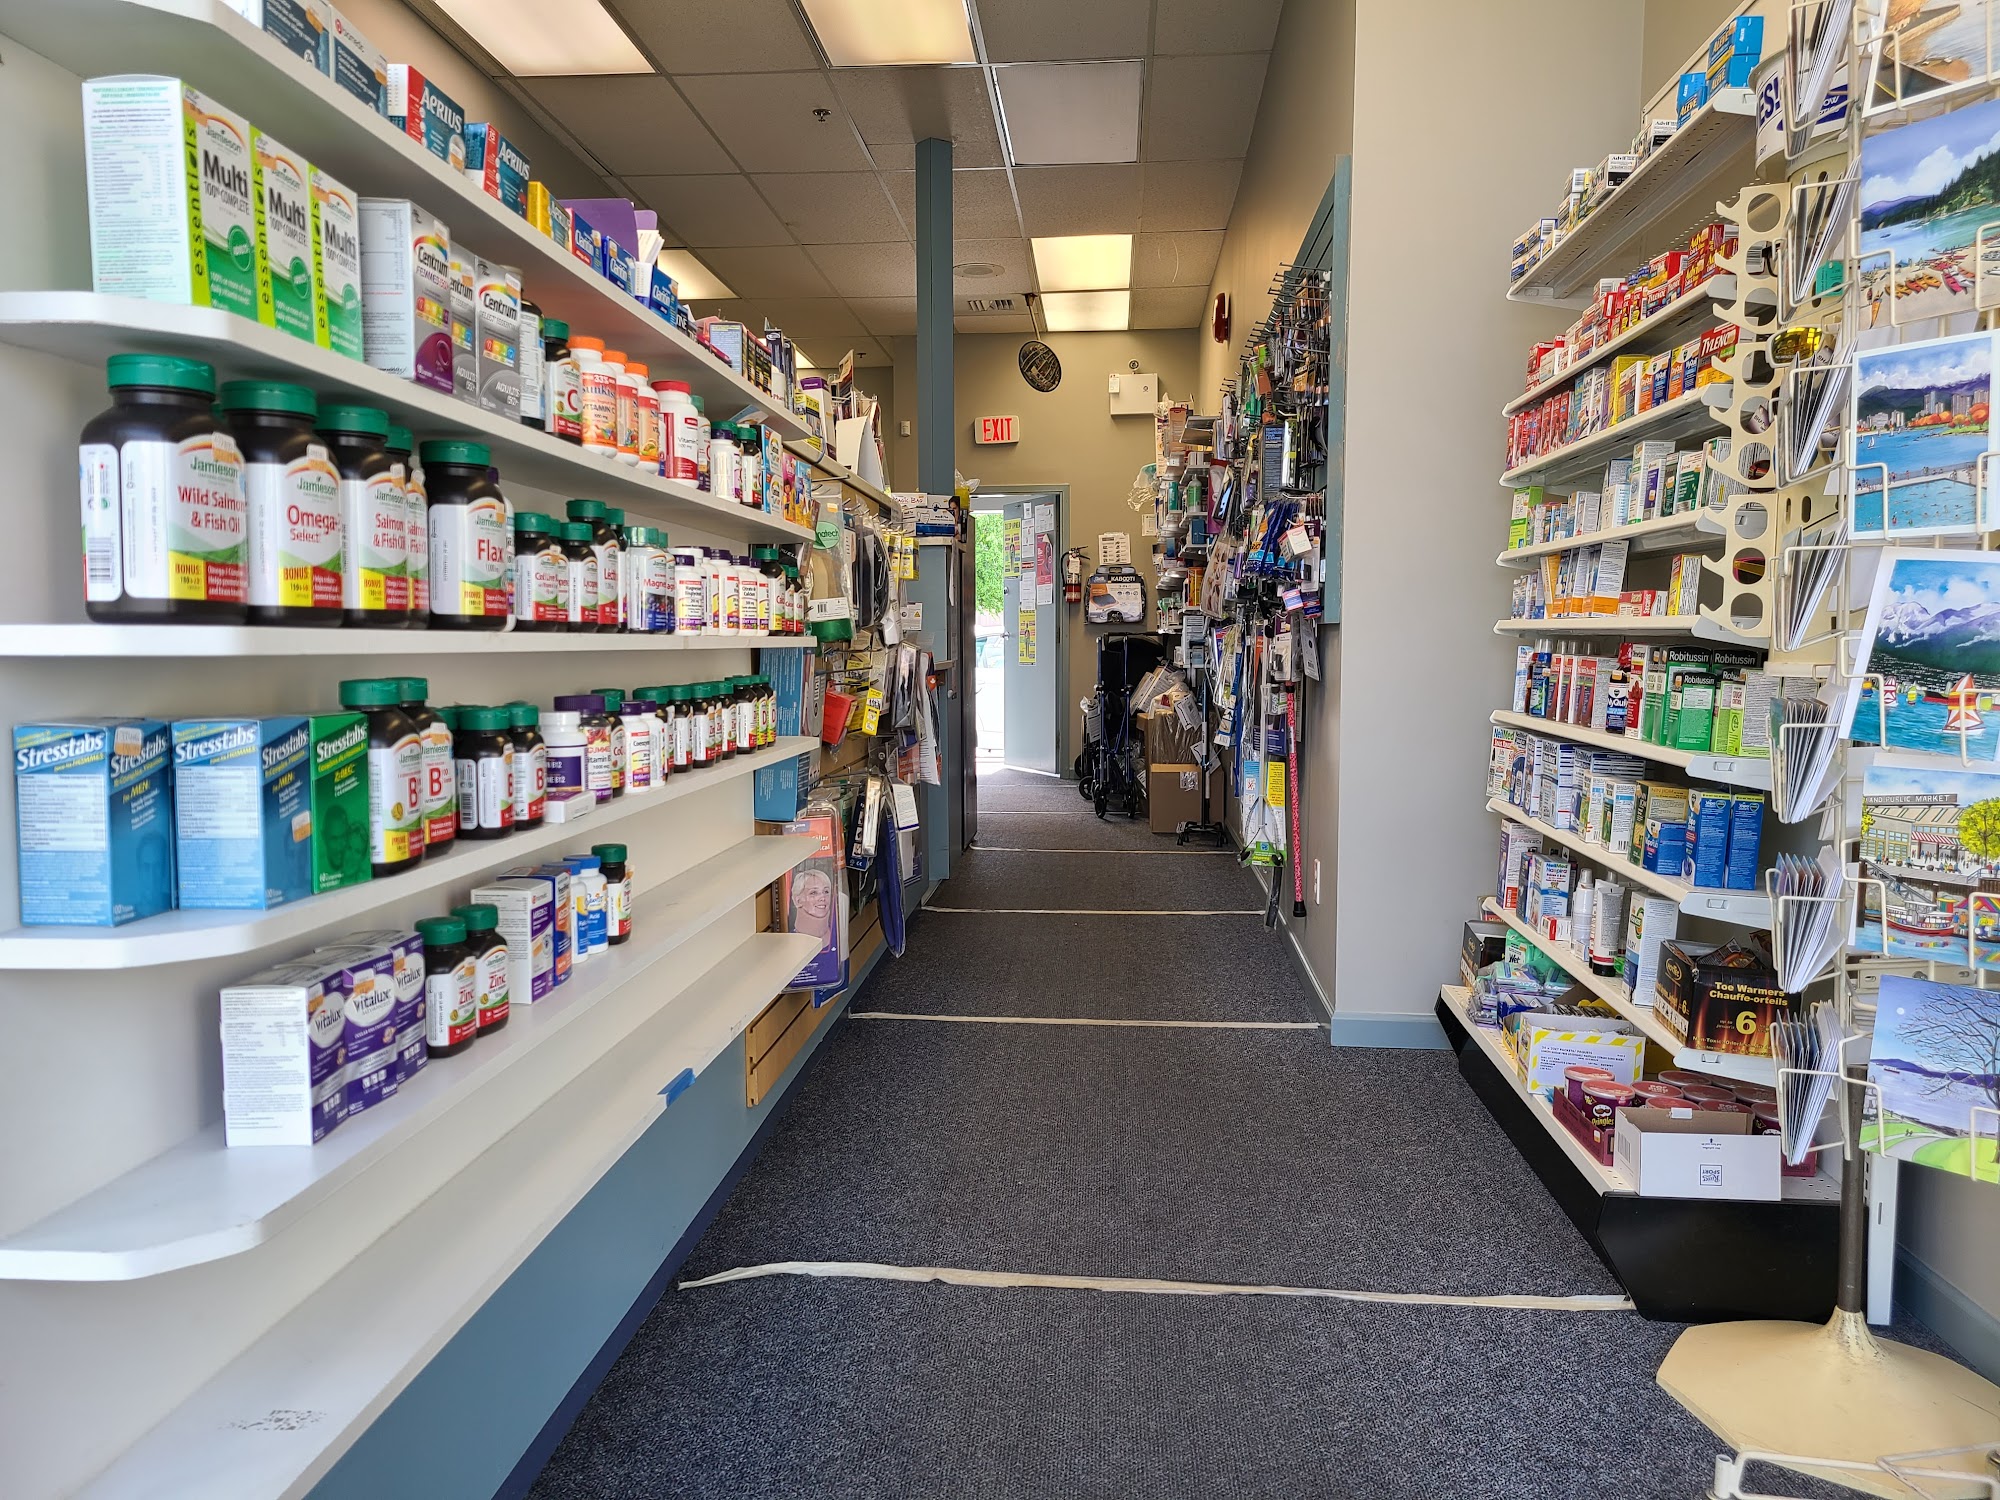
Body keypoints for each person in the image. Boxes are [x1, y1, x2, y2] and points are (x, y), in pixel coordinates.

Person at [787, 866, 836, 949]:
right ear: (798, 901)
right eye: (813, 893)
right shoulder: (789, 942)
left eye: (826, 891)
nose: (823, 898)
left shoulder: (838, 938)